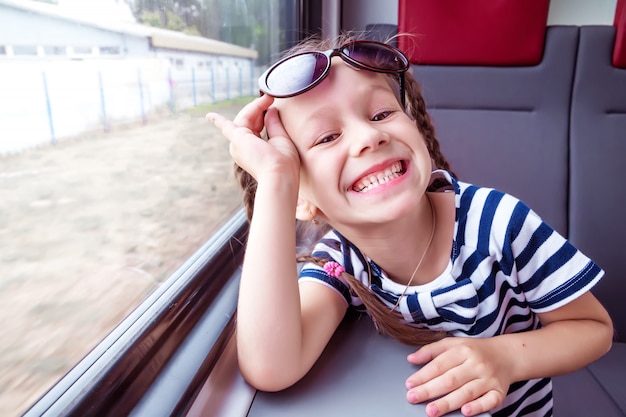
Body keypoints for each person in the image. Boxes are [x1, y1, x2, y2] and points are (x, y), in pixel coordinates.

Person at [206, 35, 613, 417]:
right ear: (302, 198)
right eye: (327, 137)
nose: (369, 136)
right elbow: (271, 367)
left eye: (382, 113)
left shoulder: (498, 223)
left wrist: (507, 357)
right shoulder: (342, 263)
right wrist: (277, 178)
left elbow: (593, 329)